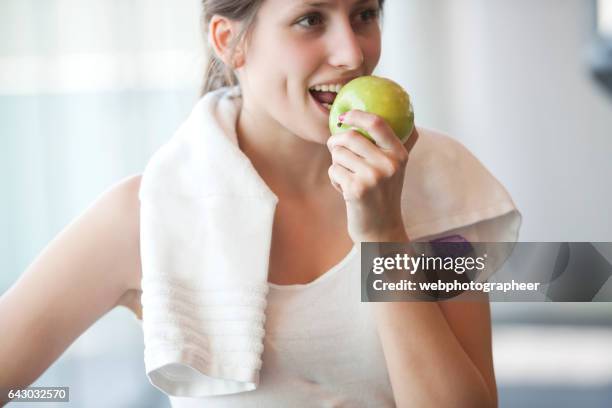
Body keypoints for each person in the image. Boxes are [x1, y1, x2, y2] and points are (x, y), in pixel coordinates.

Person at [0, 0, 521, 406]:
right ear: (231, 42)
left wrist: (383, 234)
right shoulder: (147, 216)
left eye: (364, 15)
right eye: (310, 19)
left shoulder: (437, 188)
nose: (353, 54)